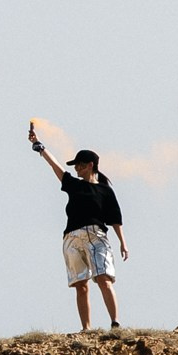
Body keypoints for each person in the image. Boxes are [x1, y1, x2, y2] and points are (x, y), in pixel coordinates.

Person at [29, 126, 129, 332]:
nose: (76, 169)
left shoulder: (105, 191)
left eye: (80, 165)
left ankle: (115, 323)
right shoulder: (74, 185)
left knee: (104, 278)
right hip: (72, 238)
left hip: (96, 236)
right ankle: (86, 328)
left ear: (90, 165)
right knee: (80, 285)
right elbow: (55, 167)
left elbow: (115, 218)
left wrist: (123, 242)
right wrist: (40, 147)